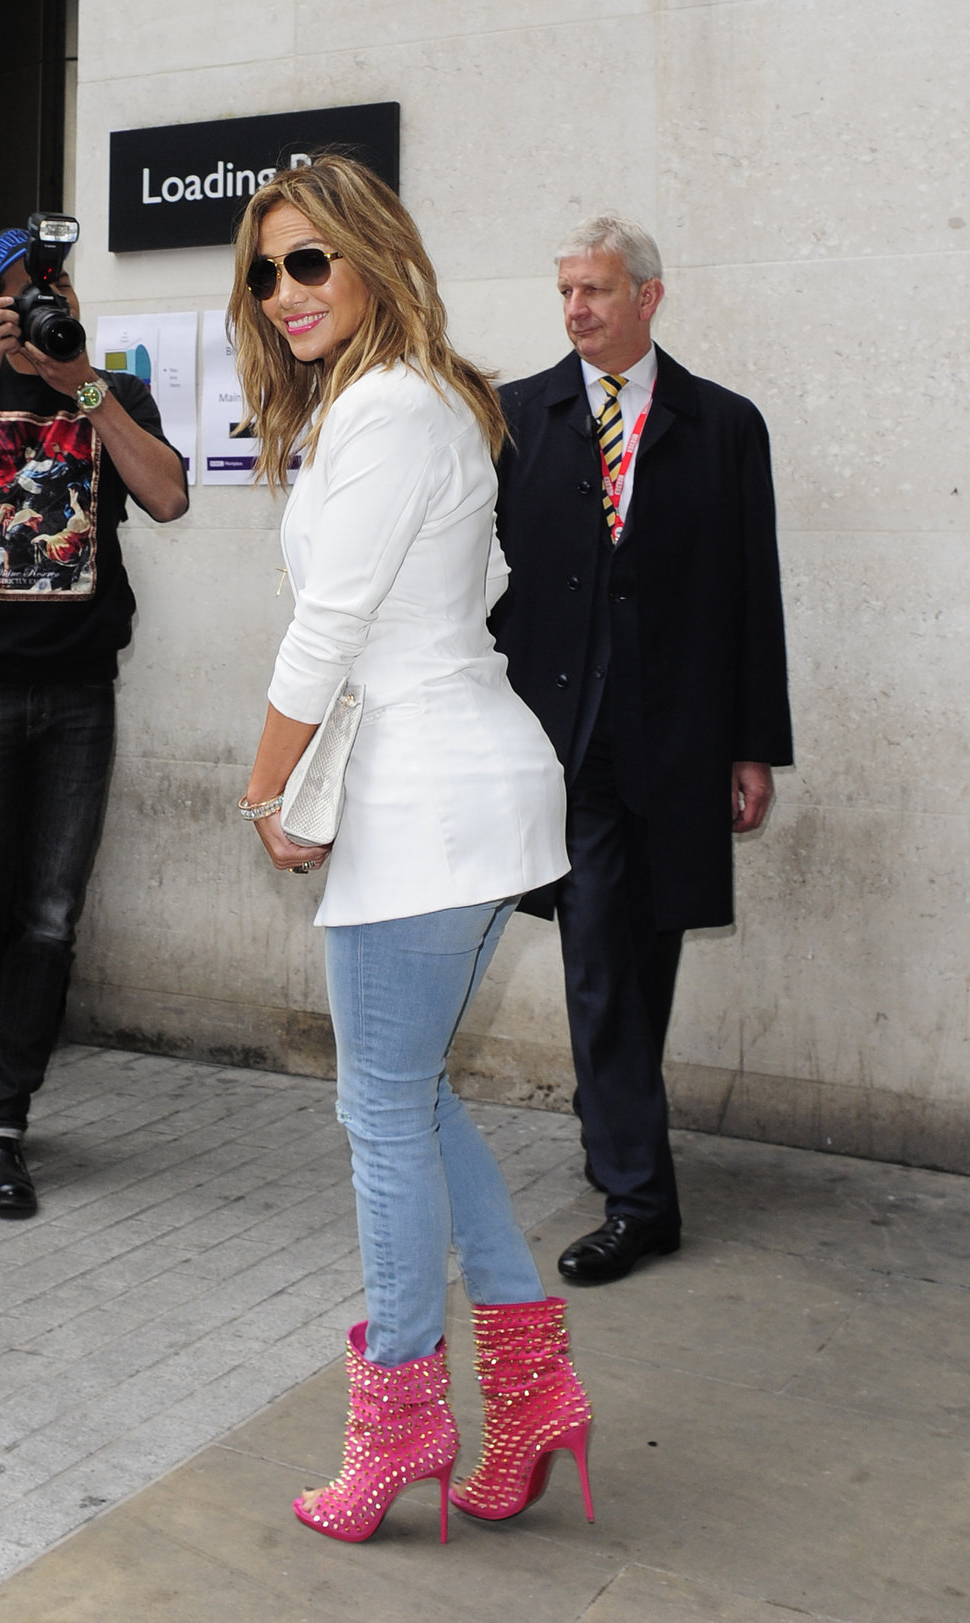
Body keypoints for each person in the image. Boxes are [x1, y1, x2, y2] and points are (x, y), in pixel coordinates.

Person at [228, 154, 593, 1545]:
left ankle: (399, 1420)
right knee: (413, 1099)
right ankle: (533, 1391)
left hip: (424, 805)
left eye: (307, 260)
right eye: (265, 271)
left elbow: (328, 628)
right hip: (467, 791)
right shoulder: (426, 399)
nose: (284, 292)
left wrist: (265, 789)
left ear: (372, 255)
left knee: (379, 1117)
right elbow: (479, 582)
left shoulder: (385, 406)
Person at [490, 215, 793, 1287]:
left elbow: (752, 593)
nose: (575, 310)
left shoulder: (724, 426)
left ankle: (610, 1118)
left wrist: (752, 747)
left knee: (642, 951)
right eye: (565, 291)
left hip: (678, 736)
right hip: (564, 739)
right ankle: (639, 1200)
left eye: (595, 291)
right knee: (603, 958)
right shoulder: (515, 418)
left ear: (647, 297)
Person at [0, 226, 188, 1219]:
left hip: (77, 692)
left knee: (52, 918)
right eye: (21, 294)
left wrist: (83, 387)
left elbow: (168, 496)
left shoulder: (111, 393)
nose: (42, 306)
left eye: (50, 286)